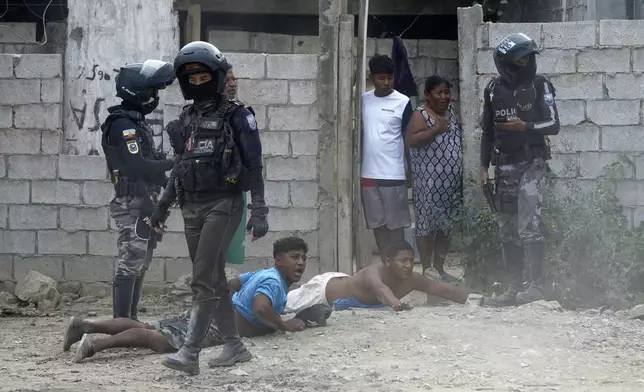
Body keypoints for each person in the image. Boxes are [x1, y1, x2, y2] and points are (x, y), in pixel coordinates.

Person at [149, 41, 269, 375]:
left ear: (215, 77)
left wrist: (259, 210)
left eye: (205, 78)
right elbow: (180, 166)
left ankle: (190, 352)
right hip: (191, 207)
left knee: (201, 277)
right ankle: (234, 346)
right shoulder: (186, 118)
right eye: (194, 79)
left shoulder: (239, 116)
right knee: (214, 279)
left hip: (224, 203)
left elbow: (255, 165)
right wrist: (162, 207)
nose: (199, 84)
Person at [63, 237, 314, 365]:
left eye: (303, 257)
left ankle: (85, 325)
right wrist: (283, 324)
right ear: (279, 260)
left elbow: (233, 283)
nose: (300, 262)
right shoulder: (274, 283)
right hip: (215, 326)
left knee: (151, 327)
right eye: (295, 257)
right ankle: (95, 345)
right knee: (160, 341)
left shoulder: (264, 272)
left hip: (210, 311)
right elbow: (261, 307)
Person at [480, 33, 560, 307]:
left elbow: (553, 124)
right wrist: (483, 166)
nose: (527, 64)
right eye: (521, 59)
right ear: (506, 63)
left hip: (531, 164)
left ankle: (536, 287)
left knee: (529, 226)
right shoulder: (492, 90)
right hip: (503, 167)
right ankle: (513, 288)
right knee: (506, 229)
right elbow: (487, 133)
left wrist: (524, 127)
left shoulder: (540, 85)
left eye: (529, 58)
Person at [100, 60, 176, 320]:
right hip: (131, 200)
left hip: (146, 199)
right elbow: (137, 165)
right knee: (131, 260)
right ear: (137, 91)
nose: (154, 97)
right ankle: (121, 323)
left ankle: (130, 320)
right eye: (151, 91)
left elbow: (148, 165)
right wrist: (171, 163)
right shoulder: (122, 124)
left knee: (141, 262)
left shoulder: (136, 122)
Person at [284, 240, 469, 314]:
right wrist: (398, 305)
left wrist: (472, 298)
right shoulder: (374, 274)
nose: (408, 265)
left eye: (411, 261)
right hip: (323, 291)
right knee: (283, 304)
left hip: (347, 285)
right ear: (388, 261)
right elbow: (382, 291)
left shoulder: (411, 278)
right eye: (403, 261)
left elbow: (438, 288)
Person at [405, 75, 463, 283]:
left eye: (447, 92)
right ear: (428, 95)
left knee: (445, 226)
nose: (444, 97)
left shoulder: (453, 114)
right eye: (439, 93)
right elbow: (411, 140)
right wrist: (436, 129)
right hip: (428, 185)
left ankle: (439, 267)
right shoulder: (421, 114)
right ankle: (427, 269)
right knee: (427, 226)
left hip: (451, 184)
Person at [361, 54, 413, 263]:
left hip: (393, 173)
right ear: (371, 77)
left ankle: (399, 266)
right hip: (368, 174)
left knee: (395, 226)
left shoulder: (402, 102)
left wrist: (410, 170)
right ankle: (385, 264)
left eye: (390, 78)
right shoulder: (363, 100)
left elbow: (408, 138)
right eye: (381, 78)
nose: (386, 83)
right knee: (378, 225)